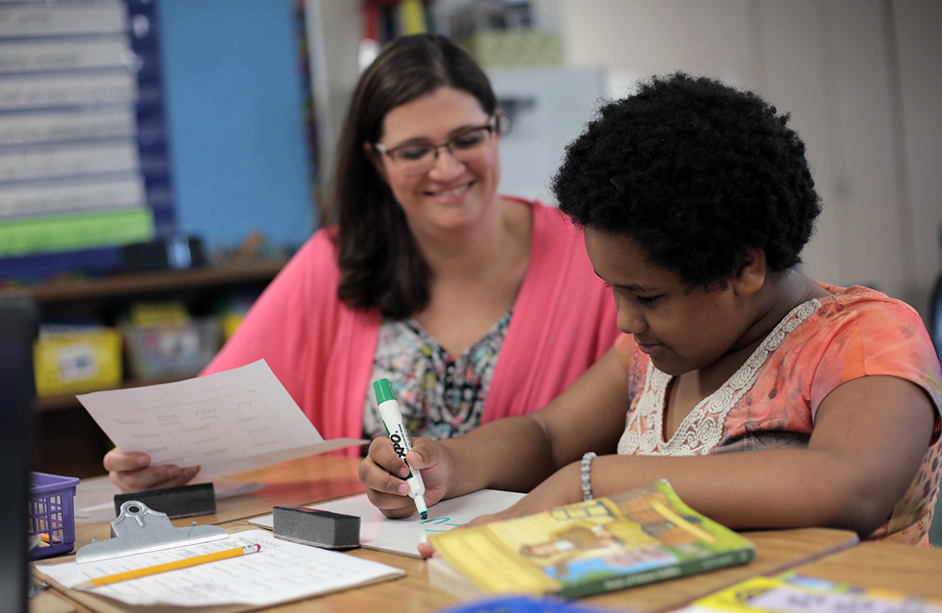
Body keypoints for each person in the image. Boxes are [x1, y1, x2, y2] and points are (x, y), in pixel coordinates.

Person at [360, 73, 942, 548]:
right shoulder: (657, 352)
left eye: (646, 296)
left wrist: (591, 484)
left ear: (745, 265)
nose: (624, 321)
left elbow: (847, 486)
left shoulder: (863, 338)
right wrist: (447, 463)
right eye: (612, 290)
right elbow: (547, 435)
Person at [105, 34, 619, 493]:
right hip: (370, 564)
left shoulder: (589, 252)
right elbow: (207, 419)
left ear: (496, 128)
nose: (448, 168)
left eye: (467, 139)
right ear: (377, 160)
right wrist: (155, 458)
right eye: (415, 151)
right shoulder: (333, 262)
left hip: (536, 552)